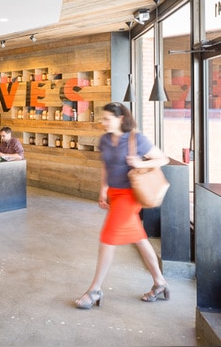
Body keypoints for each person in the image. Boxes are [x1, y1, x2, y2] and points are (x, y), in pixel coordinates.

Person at [75, 102, 170, 310]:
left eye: (107, 118)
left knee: (107, 238)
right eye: (103, 118)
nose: (103, 122)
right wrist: (103, 189)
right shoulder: (105, 140)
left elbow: (163, 158)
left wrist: (140, 164)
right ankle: (160, 283)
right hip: (114, 194)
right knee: (139, 239)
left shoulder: (137, 139)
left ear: (121, 119)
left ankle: (95, 289)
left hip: (130, 196)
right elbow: (105, 166)